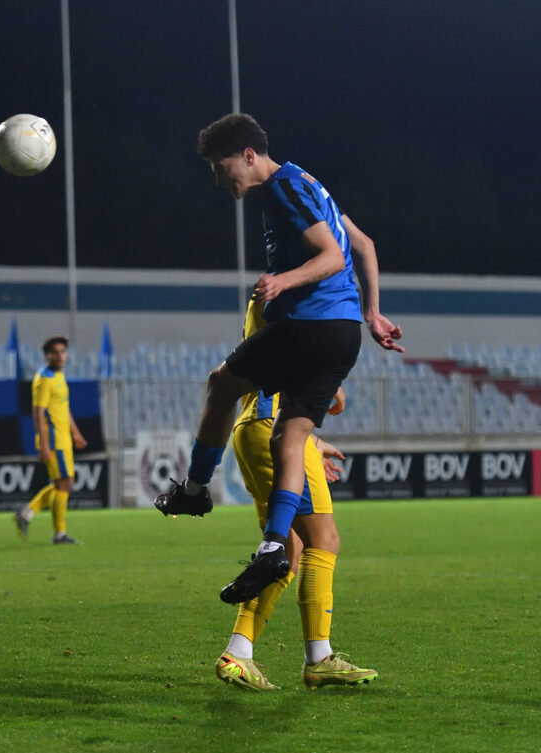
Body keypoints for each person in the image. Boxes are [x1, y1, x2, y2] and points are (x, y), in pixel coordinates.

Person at [155, 113, 403, 605]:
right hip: (343, 336)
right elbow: (364, 245)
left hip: (308, 326)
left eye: (221, 167)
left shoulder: (282, 189)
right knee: (290, 436)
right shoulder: (310, 184)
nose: (219, 179)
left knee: (221, 383)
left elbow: (333, 256)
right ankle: (273, 547)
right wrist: (372, 313)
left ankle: (196, 489)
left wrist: (282, 281)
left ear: (248, 156)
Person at [212, 293, 378, 690]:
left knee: (289, 549)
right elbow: (299, 350)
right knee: (323, 540)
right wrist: (331, 381)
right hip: (274, 425)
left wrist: (312, 442)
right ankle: (319, 658)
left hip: (257, 426)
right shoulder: (289, 292)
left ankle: (238, 653)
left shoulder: (269, 294)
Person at [14, 336, 87, 544]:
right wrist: (44, 444)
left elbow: (63, 407)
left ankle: (26, 514)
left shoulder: (58, 376)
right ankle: (59, 533)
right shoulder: (44, 380)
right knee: (64, 483)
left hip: (64, 439)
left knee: (62, 483)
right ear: (47, 355)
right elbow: (38, 413)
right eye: (55, 352)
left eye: (63, 351)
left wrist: (75, 433)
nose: (60, 356)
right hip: (53, 441)